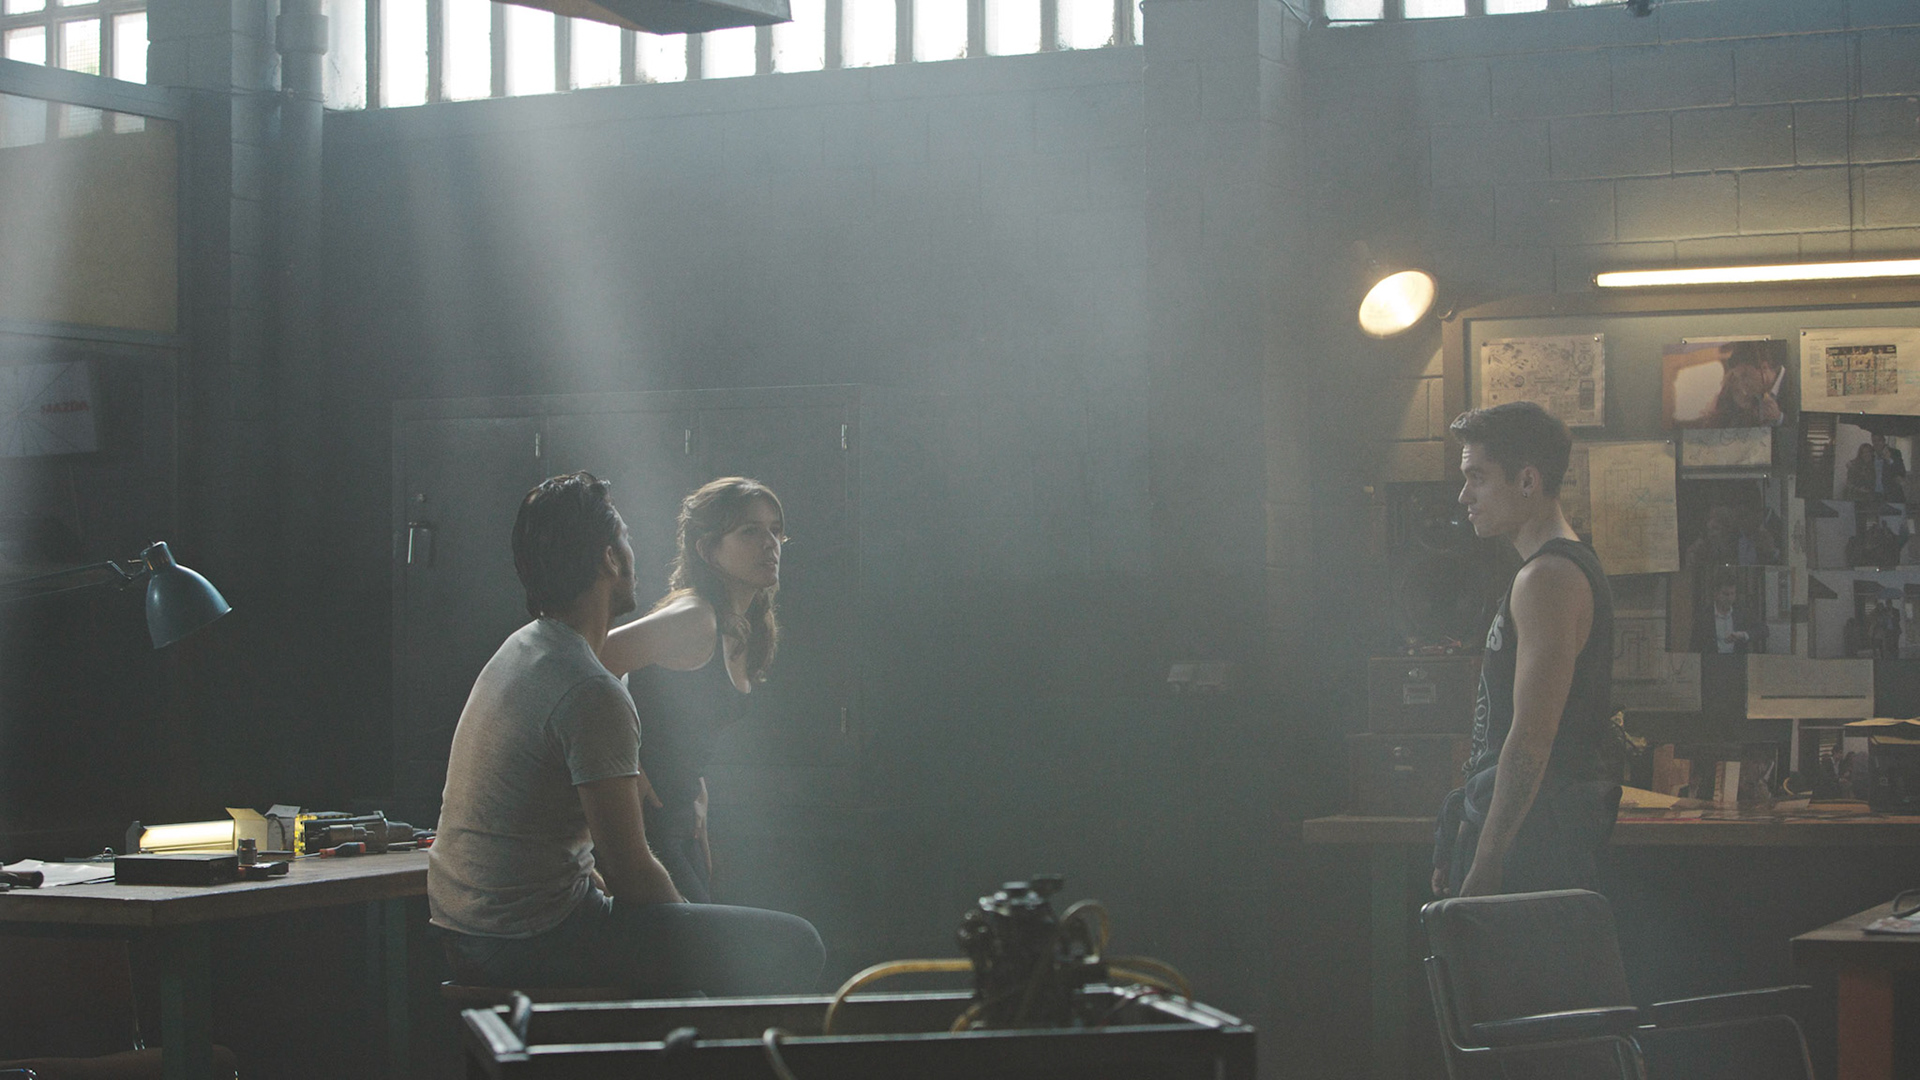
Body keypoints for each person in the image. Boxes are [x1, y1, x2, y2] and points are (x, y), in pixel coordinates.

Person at [428, 472, 823, 994]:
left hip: (474, 931)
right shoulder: (591, 689)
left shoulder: (526, 646)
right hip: (530, 940)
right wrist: (697, 954)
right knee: (796, 944)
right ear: (611, 559)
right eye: (628, 539)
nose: (770, 542)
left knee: (712, 949)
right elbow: (630, 873)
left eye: (775, 531)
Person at [1432, 402, 1619, 899]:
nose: (1464, 495)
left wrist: (1487, 862)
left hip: (1534, 842)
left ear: (1528, 481)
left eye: (1478, 477)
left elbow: (1532, 737)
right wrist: (1468, 828)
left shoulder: (1548, 578)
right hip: (1525, 829)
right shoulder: (1543, 572)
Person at [598, 478, 784, 903]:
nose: (770, 544)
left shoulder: (742, 626)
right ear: (707, 549)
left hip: (681, 814)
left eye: (775, 530)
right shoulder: (695, 617)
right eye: (750, 531)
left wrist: (697, 786)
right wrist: (627, 767)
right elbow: (585, 663)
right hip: (644, 823)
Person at [1703, 341, 1784, 427]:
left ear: (1764, 367)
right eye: (1739, 379)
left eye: (1745, 376)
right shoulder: (1753, 400)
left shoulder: (1791, 383)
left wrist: (1779, 418)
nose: (1742, 385)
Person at [1690, 571, 1766, 655]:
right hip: (1712, 660)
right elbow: (1694, 646)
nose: (1730, 598)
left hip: (1737, 660)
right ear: (1716, 593)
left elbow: (1764, 629)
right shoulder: (1704, 616)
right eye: (1725, 594)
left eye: (1732, 594)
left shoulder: (1741, 612)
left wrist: (1743, 635)